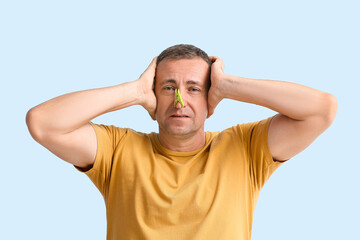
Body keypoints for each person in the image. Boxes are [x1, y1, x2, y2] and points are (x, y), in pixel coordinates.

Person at [26, 44, 337, 240]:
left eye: (194, 89)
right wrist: (133, 91)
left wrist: (228, 85)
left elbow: (321, 110)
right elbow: (43, 123)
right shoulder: (117, 149)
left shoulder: (245, 148)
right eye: (168, 87)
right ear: (152, 97)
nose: (179, 101)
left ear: (211, 99)